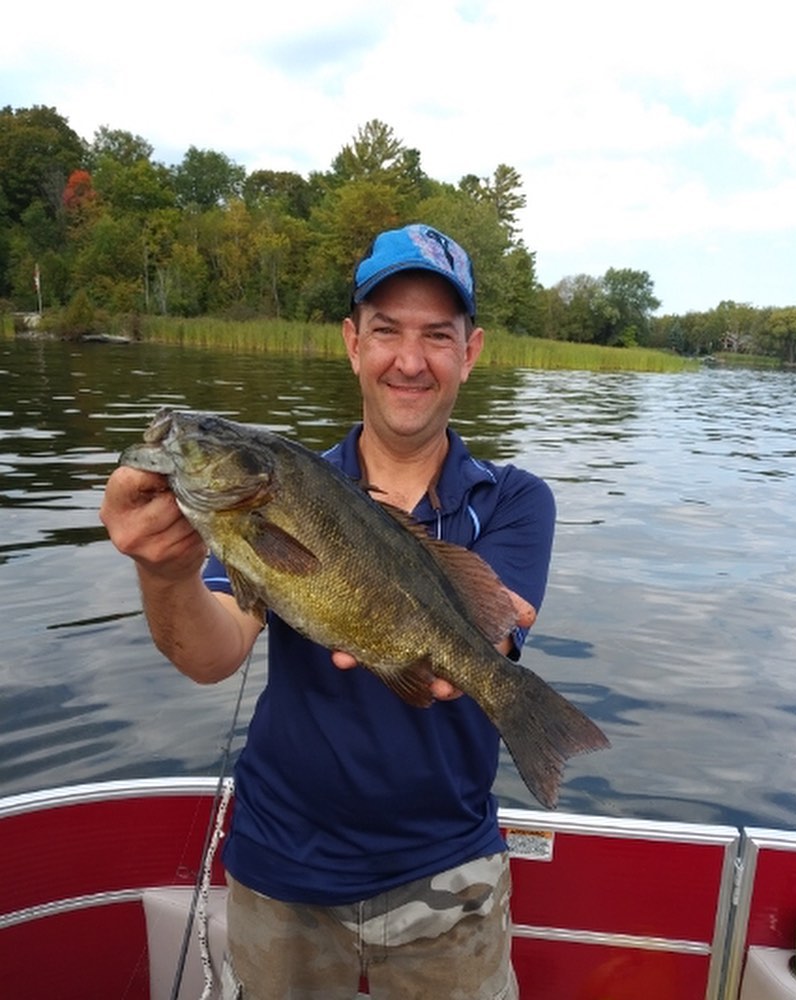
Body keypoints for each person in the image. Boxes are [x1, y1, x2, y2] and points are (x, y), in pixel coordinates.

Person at [100, 223, 556, 1000]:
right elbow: (211, 657)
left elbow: (491, 635)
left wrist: (482, 658)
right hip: (283, 868)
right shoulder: (292, 487)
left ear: (470, 352)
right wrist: (166, 571)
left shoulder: (514, 501)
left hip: (450, 873)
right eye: (386, 331)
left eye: (436, 336)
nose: (409, 360)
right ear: (352, 343)